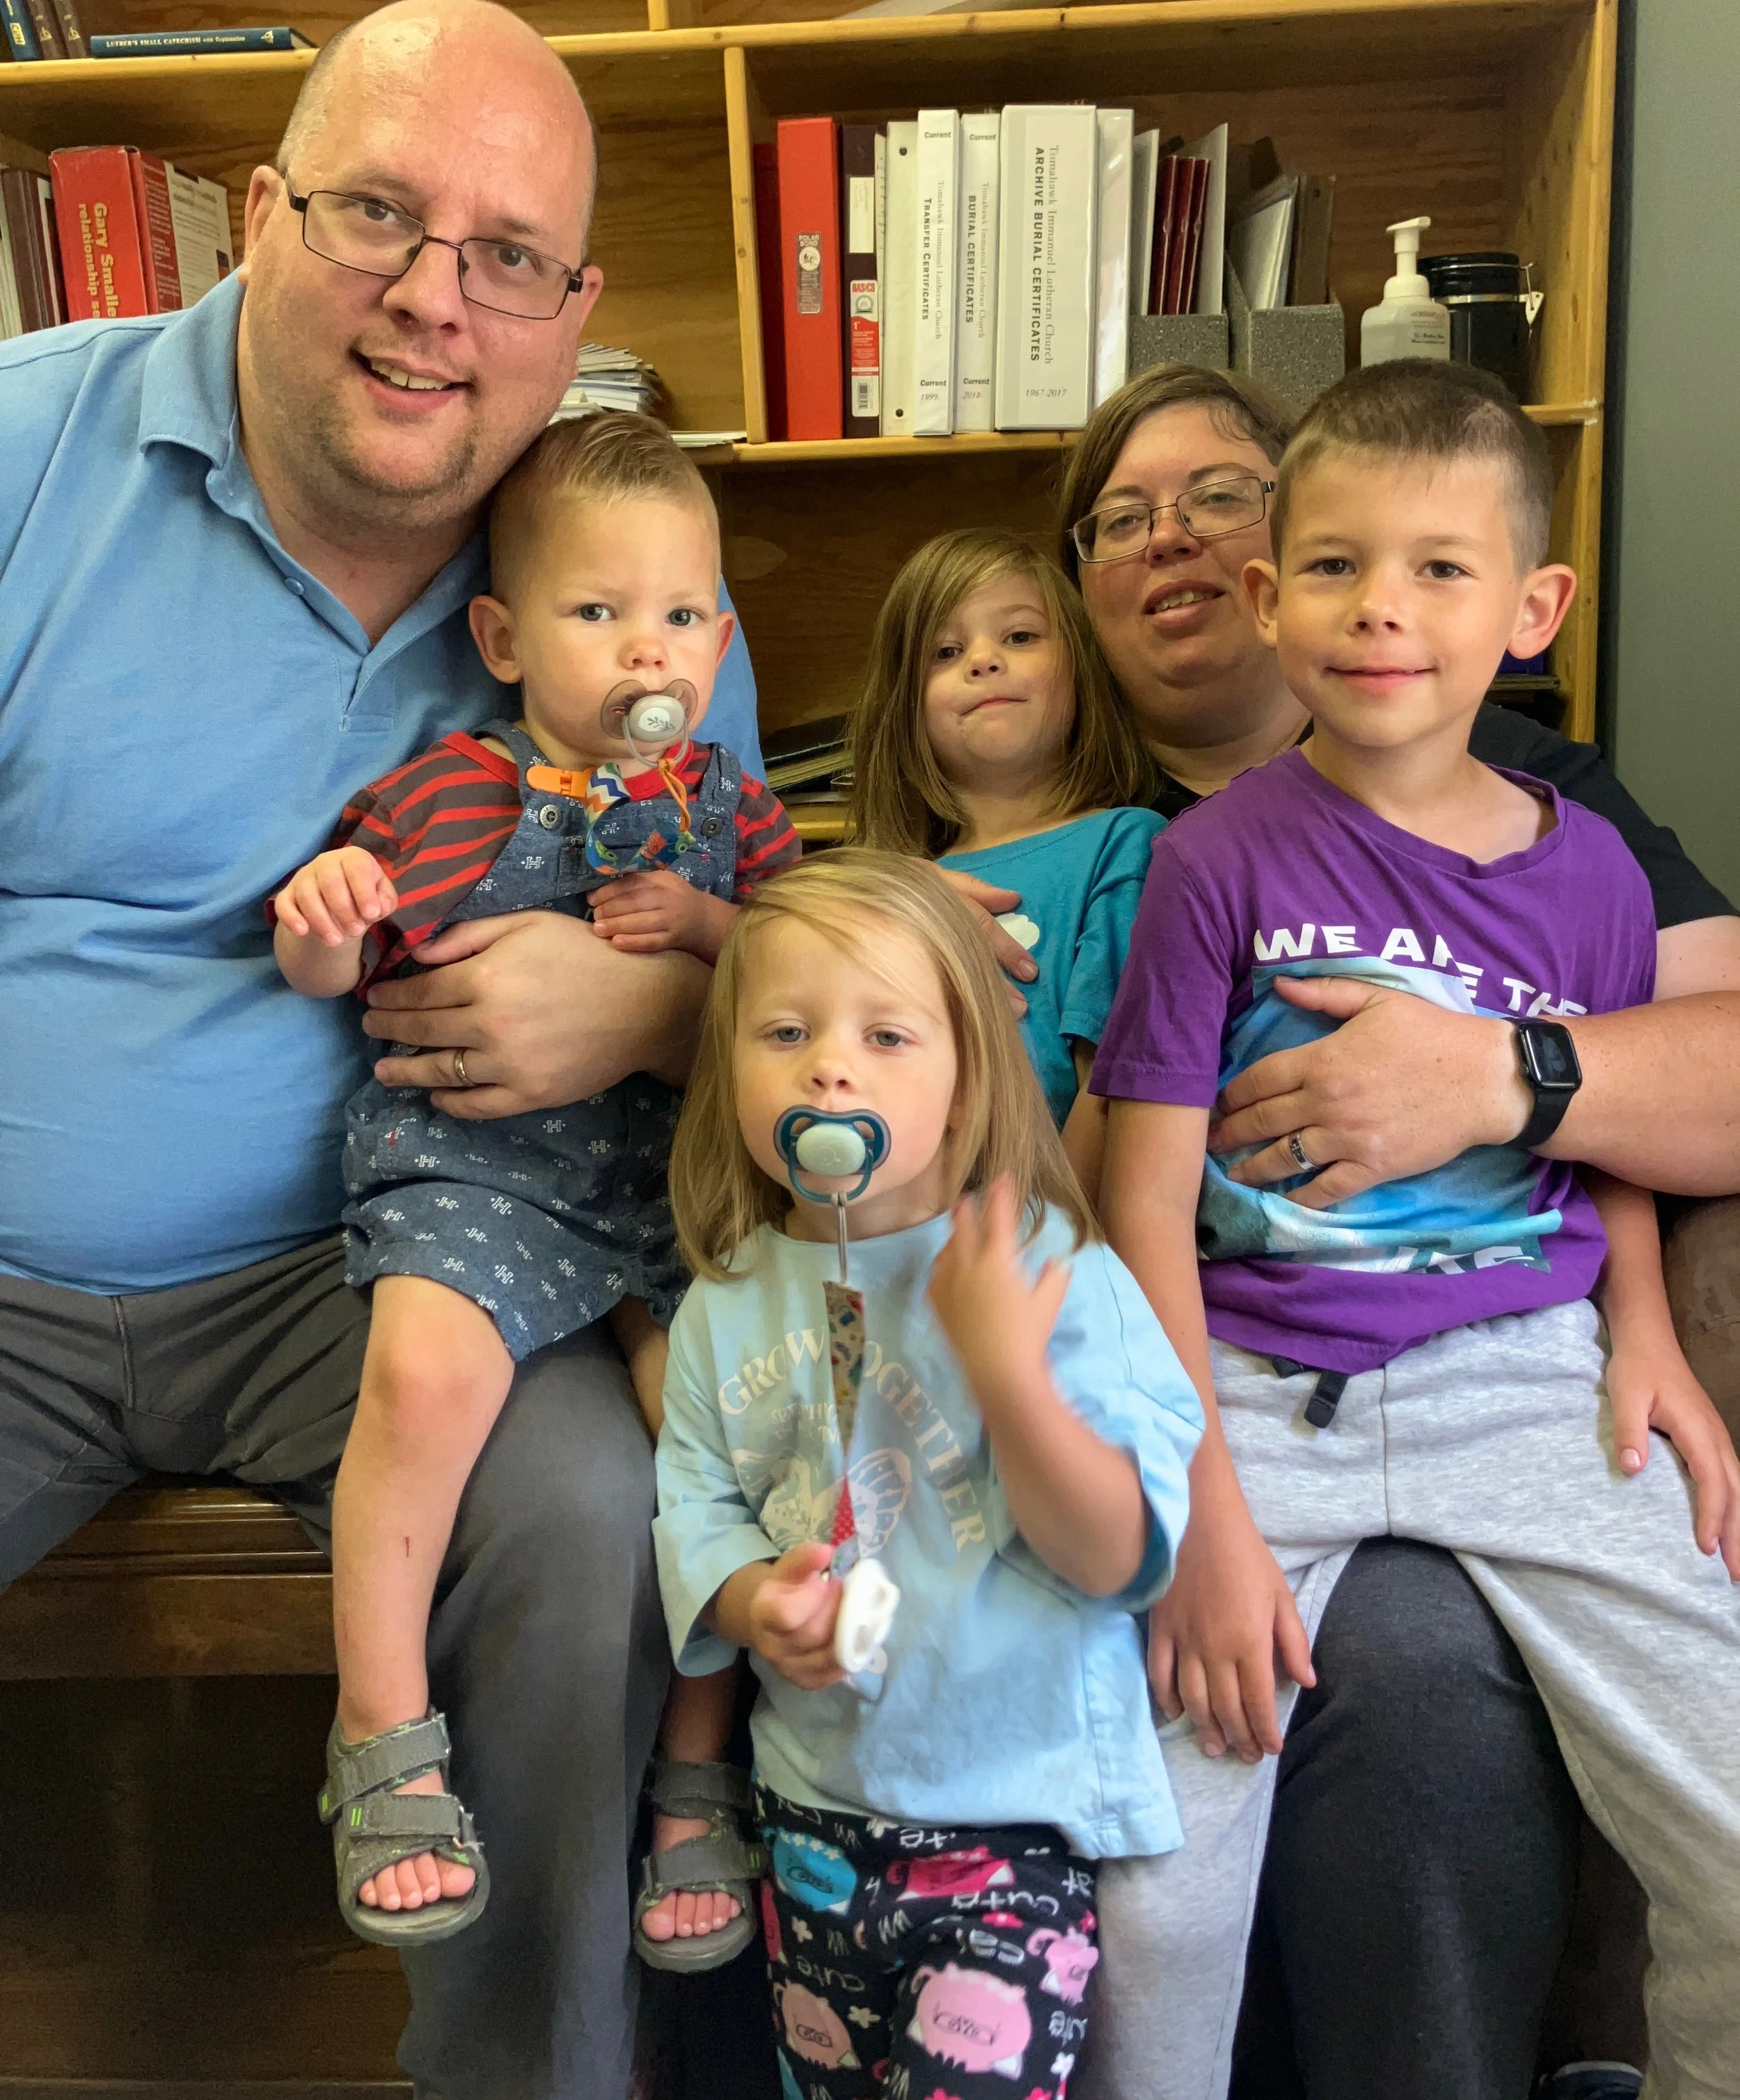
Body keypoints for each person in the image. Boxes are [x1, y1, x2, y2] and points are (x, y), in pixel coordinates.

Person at [0, 0, 761, 2097]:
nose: (437, 301)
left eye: (507, 254)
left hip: (384, 1279)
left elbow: (761, 954)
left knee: (600, 1509)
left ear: (572, 306)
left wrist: (656, 999)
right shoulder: (23, 449)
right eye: (377, 217)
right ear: (257, 215)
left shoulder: (636, 580)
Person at [1052, 360, 1740, 2100]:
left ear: (1531, 607)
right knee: (1152, 1910)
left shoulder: (1589, 864)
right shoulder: (1211, 861)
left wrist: (1644, 1340)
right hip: (1265, 1405)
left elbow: (1599, 1139)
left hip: (1526, 1382)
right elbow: (1141, 1198)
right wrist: (1195, 1513)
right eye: (1341, 566)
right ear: (1279, 600)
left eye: (1441, 570)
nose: (1385, 613)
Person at [271, 413, 796, 1957]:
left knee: (726, 1425)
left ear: (724, 632)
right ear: (501, 636)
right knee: (422, 1380)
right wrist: (325, 912)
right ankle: (381, 1728)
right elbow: (333, 957)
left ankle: (695, 1764)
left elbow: (793, 957)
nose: (652, 647)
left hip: (669, 1182)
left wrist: (711, 929)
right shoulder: (458, 793)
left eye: (684, 614)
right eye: (597, 612)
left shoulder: (731, 806)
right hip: (481, 1173)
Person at [651, 851, 1204, 2099]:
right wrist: (752, 1604)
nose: (830, 1066)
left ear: (963, 1086)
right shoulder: (725, 1299)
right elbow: (698, 1501)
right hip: (812, 1818)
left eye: (887, 1034)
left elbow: (1118, 1552)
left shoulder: (1054, 1273)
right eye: (784, 1031)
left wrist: (1008, 1370)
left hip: (1014, 1822)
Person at [846, 526, 1159, 1197]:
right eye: (946, 651)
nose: (983, 661)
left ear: (1079, 666)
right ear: (904, 703)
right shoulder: (883, 887)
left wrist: (1045, 1245)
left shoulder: (1123, 843)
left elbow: (1113, 1090)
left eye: (1019, 637)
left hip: (1043, 1243)